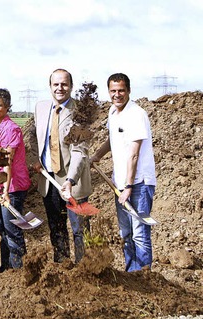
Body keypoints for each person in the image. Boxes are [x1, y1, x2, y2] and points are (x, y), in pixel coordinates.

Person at [91, 73, 156, 272]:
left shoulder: (136, 114)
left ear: (128, 90)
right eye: (113, 91)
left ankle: (144, 276)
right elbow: (112, 139)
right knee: (125, 232)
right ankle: (131, 272)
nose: (117, 94)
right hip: (120, 184)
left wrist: (128, 186)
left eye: (121, 90)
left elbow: (134, 155)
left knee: (139, 232)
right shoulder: (113, 112)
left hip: (138, 184)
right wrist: (97, 156)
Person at [32, 69, 91, 263]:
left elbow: (79, 151)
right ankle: (63, 265)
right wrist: (37, 159)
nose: (60, 88)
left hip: (73, 182)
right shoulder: (41, 108)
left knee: (79, 229)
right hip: (49, 179)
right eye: (56, 84)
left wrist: (71, 180)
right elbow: (36, 138)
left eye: (64, 84)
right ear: (50, 86)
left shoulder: (80, 111)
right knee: (56, 227)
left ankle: (84, 269)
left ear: (71, 86)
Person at [0, 88, 31, 271]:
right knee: (3, 230)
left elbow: (7, 162)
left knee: (12, 230)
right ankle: (6, 270)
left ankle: (20, 271)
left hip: (12, 186)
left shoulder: (11, 129)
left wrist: (5, 192)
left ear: (7, 107)